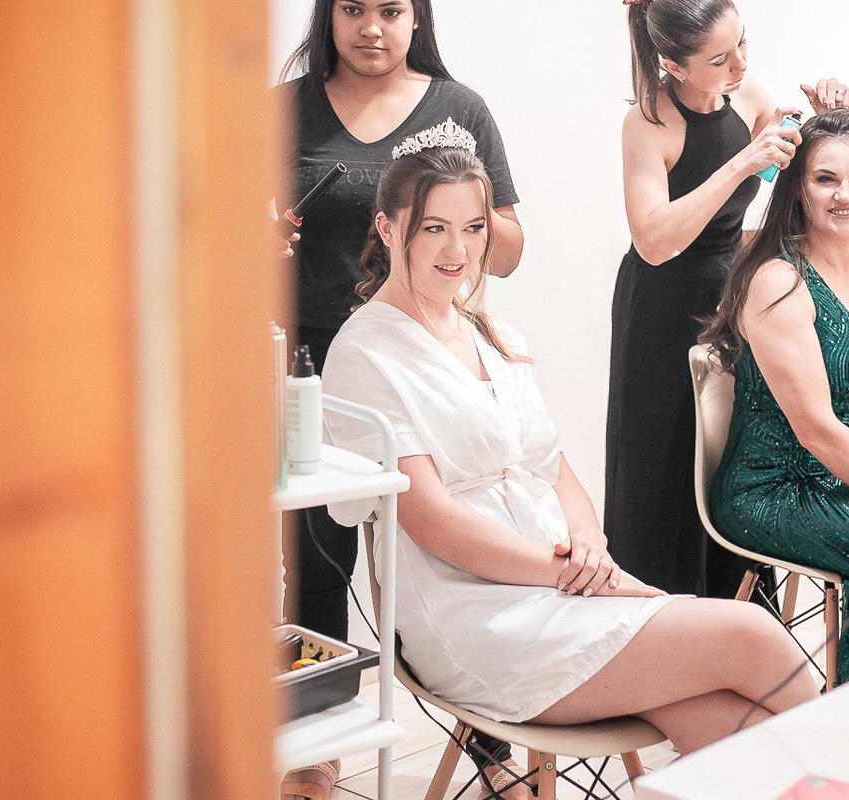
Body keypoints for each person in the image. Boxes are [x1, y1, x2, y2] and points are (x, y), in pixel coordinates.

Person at [322, 123, 820, 759]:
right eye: (433, 227)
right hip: (474, 616)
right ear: (389, 229)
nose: (457, 249)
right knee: (751, 633)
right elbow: (432, 523)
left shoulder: (493, 337)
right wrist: (575, 576)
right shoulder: (364, 352)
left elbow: (553, 469)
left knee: (725, 719)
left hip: (561, 583)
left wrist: (591, 544)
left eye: (473, 227)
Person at [274, 2, 524, 797]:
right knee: (317, 559)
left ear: (418, 19)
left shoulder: (459, 110)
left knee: (460, 549)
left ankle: (496, 748)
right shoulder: (285, 109)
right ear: (329, 16)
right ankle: (315, 756)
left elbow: (507, 251)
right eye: (353, 8)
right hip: (313, 365)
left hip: (427, 359)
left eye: (391, 9)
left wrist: (454, 207)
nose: (372, 27)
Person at [605, 0, 849, 599]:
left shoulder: (747, 95)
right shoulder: (648, 122)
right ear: (674, 65)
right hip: (661, 306)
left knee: (733, 451)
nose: (741, 64)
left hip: (733, 294)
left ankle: (736, 615)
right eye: (720, 59)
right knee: (663, 463)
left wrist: (828, 119)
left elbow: (790, 170)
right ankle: (658, 621)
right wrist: (742, 161)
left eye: (742, 42)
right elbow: (653, 240)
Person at [701, 108, 849, 684]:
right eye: (826, 179)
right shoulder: (778, 280)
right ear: (798, 187)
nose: (846, 195)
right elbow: (817, 430)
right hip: (775, 487)